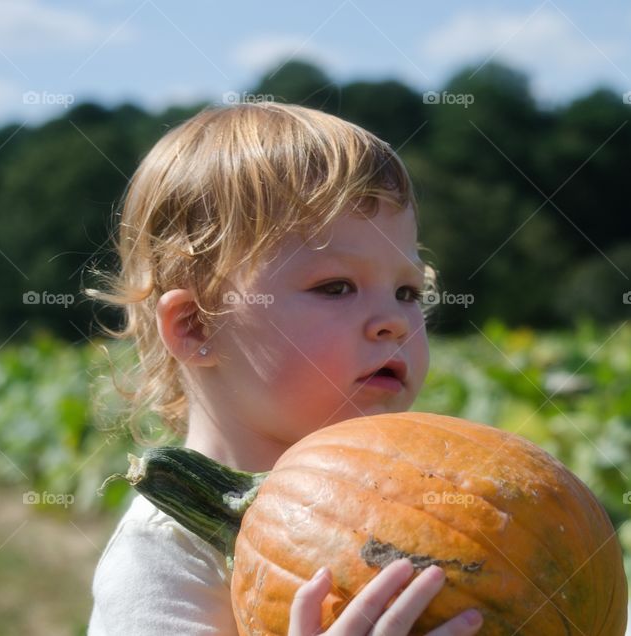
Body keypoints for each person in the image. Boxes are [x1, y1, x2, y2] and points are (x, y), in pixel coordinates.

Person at [86, 101, 483, 635]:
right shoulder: (165, 563)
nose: (394, 321)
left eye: (407, 291)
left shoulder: (417, 507)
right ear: (196, 326)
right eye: (336, 287)